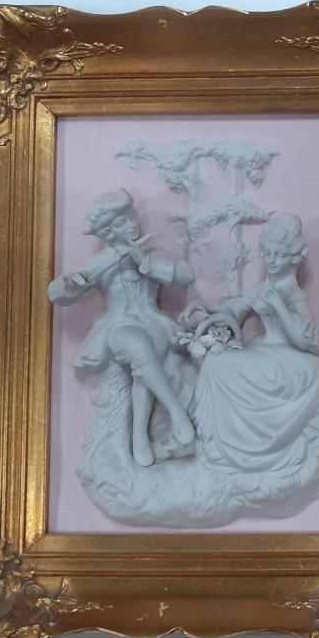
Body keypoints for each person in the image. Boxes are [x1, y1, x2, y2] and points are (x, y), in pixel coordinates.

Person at [48, 188, 197, 468]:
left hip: (153, 322)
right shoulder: (102, 263)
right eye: (121, 222)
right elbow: (59, 294)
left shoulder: (149, 253)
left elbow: (187, 275)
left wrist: (147, 263)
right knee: (135, 344)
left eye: (131, 217)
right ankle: (177, 413)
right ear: (106, 232)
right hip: (118, 325)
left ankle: (139, 436)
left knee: (144, 359)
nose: (130, 225)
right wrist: (73, 283)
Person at [187, 215, 319, 473]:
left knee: (218, 365)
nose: (271, 260)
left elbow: (304, 341)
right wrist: (201, 305)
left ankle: (231, 445)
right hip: (264, 350)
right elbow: (235, 308)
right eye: (267, 253)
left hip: (290, 360)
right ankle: (215, 441)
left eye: (279, 255)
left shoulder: (293, 294)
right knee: (215, 360)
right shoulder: (264, 287)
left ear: (294, 258)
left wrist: (279, 306)